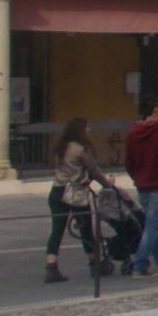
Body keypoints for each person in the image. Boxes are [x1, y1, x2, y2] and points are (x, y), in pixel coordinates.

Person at [45, 117, 111, 282]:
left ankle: (51, 267)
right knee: (86, 228)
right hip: (75, 192)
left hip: (57, 190)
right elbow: (93, 170)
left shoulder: (61, 147)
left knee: (57, 230)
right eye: (86, 128)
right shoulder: (82, 149)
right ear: (81, 131)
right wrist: (107, 185)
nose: (88, 131)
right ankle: (94, 263)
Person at [121, 97, 158, 278]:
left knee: (150, 225)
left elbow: (128, 162)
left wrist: (137, 176)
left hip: (142, 185)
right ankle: (139, 265)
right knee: (151, 227)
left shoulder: (133, 132)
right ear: (155, 109)